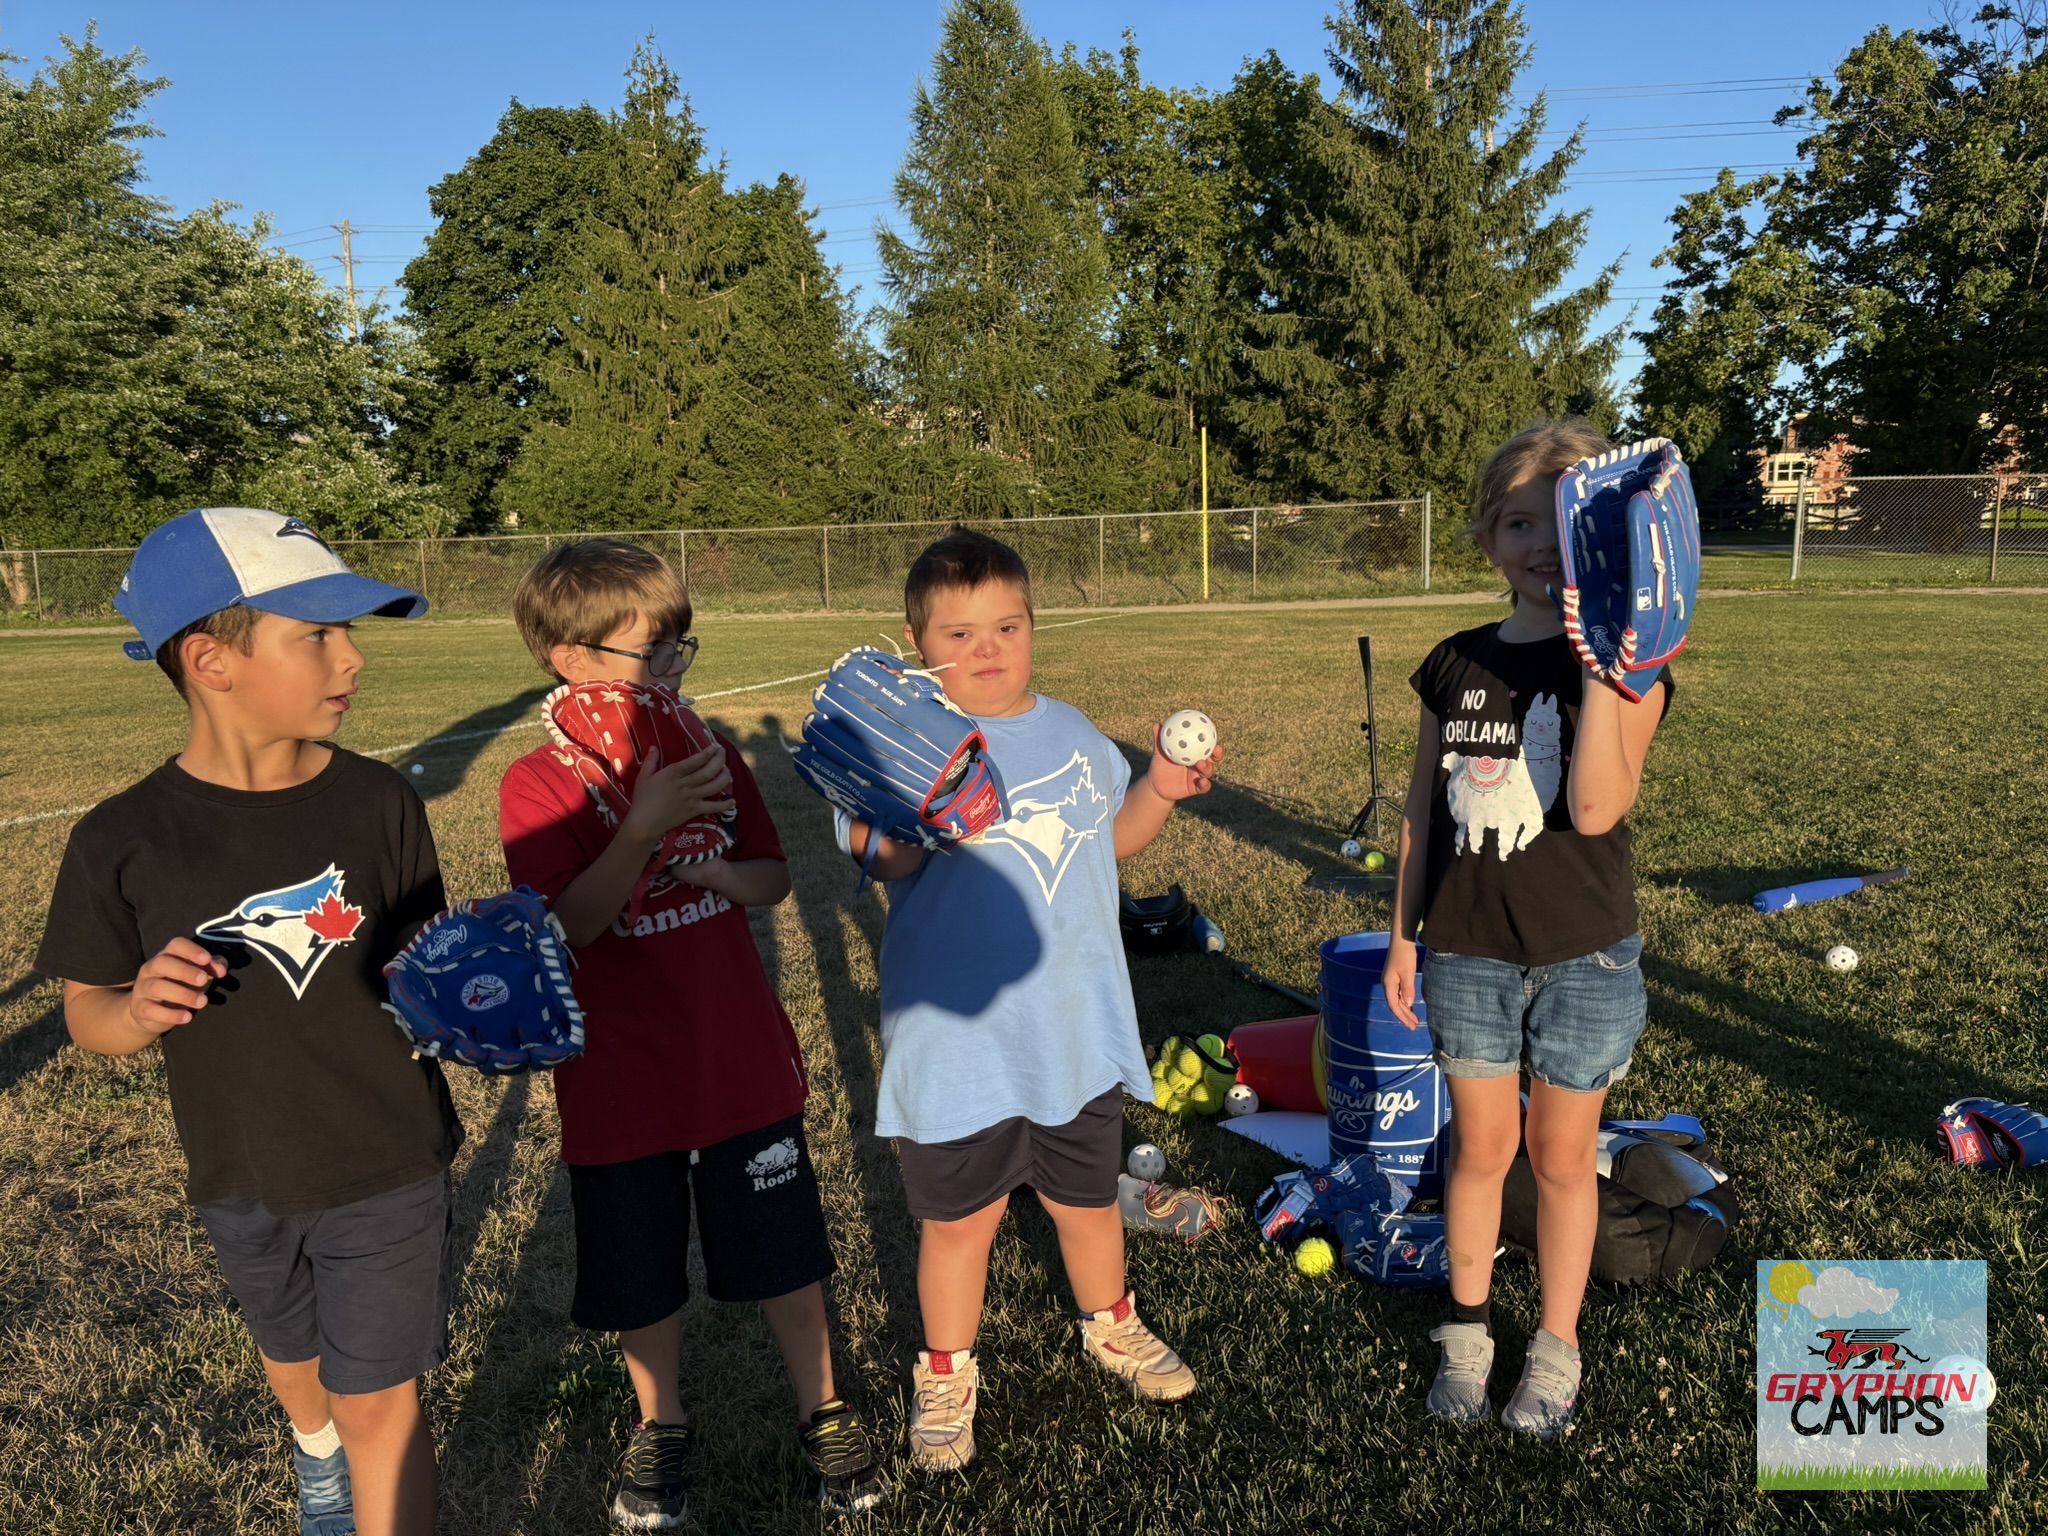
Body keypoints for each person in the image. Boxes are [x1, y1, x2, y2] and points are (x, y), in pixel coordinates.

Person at [36, 509, 456, 1536]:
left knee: (377, 1405)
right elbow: (87, 1012)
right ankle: (311, 1447)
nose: (352, 658)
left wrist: (467, 986)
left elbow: (425, 956)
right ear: (209, 661)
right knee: (295, 1356)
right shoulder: (121, 840)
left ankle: (348, 1464)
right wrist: (134, 1008)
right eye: (316, 635)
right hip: (241, 1167)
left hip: (387, 1154)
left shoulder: (381, 801)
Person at [496, 538, 885, 1527]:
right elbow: (569, 925)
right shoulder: (536, 786)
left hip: (735, 1062)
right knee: (641, 1274)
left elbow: (769, 875)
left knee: (784, 1252)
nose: (672, 671)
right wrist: (639, 827)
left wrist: (710, 869)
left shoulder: (702, 749)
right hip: (621, 1079)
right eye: (651, 652)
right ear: (568, 659)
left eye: (680, 649)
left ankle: (823, 1408)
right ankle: (658, 1422)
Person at [835, 528, 1218, 1473]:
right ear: (916, 644)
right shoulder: (900, 748)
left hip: (1072, 1031)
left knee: (1085, 1203)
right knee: (959, 1224)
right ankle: (946, 1370)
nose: (987, 650)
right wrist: (912, 809)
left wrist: (1161, 791)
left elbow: (1109, 841)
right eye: (958, 634)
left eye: (1006, 626)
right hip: (959, 1044)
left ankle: (1111, 1323)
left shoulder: (1073, 732)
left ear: (1034, 626)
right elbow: (882, 856)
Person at [1382, 423, 1676, 1439]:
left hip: (1583, 955)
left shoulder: (1633, 666)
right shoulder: (1453, 662)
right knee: (1476, 1153)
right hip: (1465, 949)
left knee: (1560, 1160)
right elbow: (1420, 813)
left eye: (1563, 523)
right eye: (1518, 522)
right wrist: (1401, 939)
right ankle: (1465, 1341)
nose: (1540, 545)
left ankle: (1553, 1351)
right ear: (1485, 537)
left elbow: (1593, 808)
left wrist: (1604, 663)